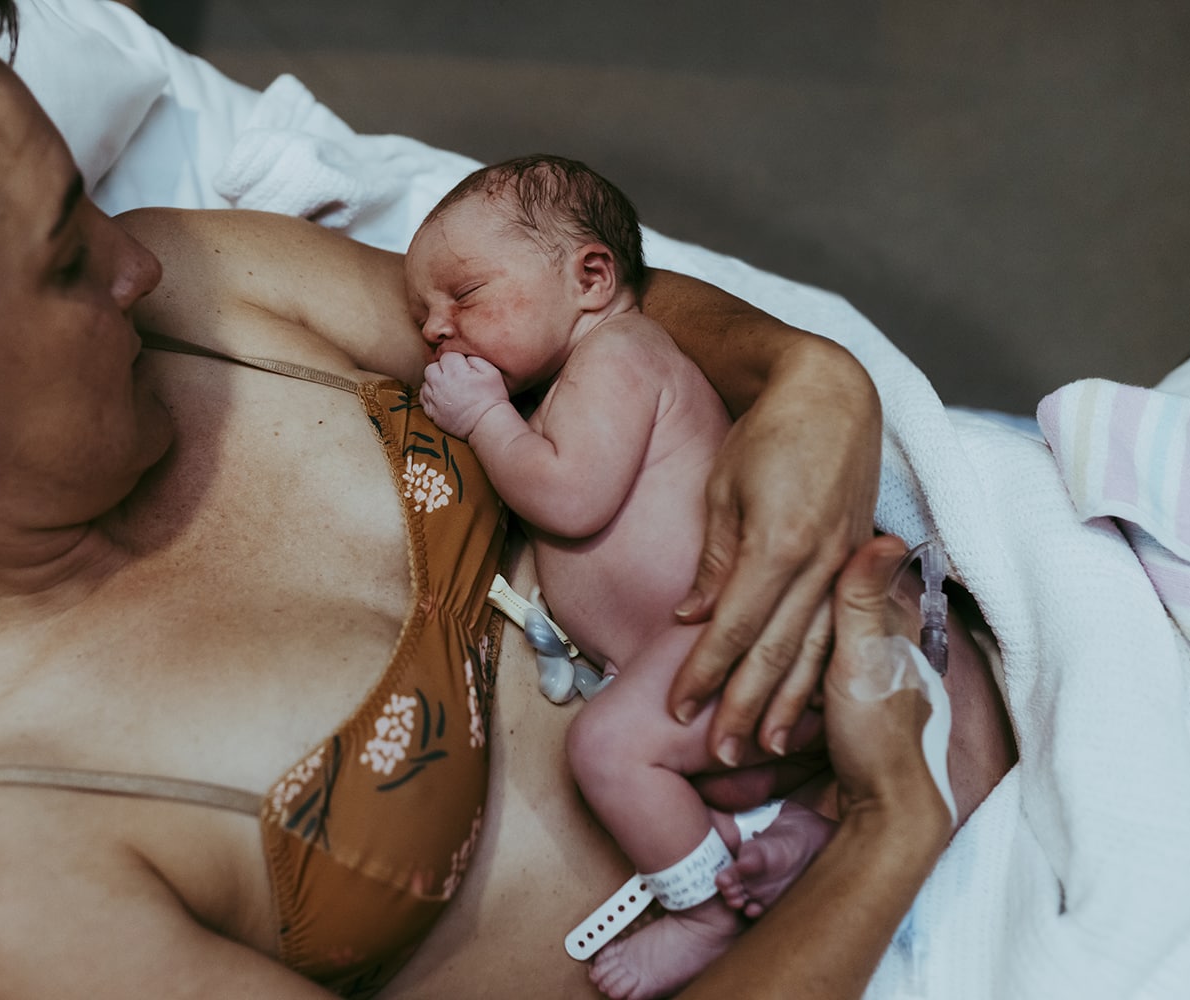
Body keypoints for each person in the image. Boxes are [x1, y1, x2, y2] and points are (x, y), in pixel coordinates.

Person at [0, 2, 1016, 998]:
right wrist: (893, 824)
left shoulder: (209, 294)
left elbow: (583, 310)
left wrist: (811, 385)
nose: (127, 256)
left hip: (1012, 662)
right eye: (62, 260)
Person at [407, 156, 968, 999]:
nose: (434, 327)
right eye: (422, 313)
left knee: (606, 748)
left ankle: (704, 909)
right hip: (696, 658)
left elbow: (570, 497)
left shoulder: (622, 355)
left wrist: (484, 418)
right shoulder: (575, 372)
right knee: (708, 765)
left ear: (592, 277)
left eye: (465, 295)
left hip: (721, 630)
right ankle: (794, 844)